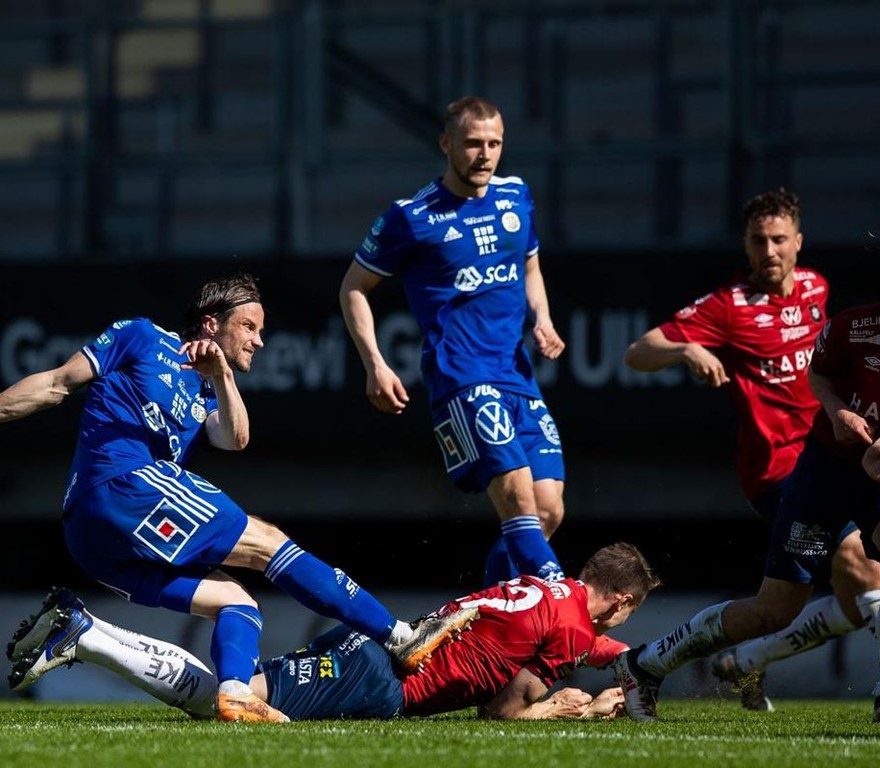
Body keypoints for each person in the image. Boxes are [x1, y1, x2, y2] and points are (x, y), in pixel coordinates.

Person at [0, 272, 475, 723]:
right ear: (211, 323)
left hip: (96, 543)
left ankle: (232, 692)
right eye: (249, 326)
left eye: (261, 330)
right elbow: (57, 383)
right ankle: (401, 637)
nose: (259, 340)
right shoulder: (142, 336)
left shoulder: (207, 390)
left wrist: (223, 376)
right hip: (123, 483)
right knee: (268, 541)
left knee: (237, 604)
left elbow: (235, 438)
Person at [613, 218, 880, 725]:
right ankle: (646, 663)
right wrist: (837, 412)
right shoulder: (854, 325)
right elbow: (819, 374)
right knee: (775, 609)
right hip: (823, 472)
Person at [9, 542, 660, 722]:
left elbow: (583, 644)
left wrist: (628, 660)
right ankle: (85, 633)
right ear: (623, 599)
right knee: (229, 703)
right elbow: (503, 713)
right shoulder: (572, 625)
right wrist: (576, 709)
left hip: (374, 650)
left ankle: (84, 634)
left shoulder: (550, 590)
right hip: (383, 680)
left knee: (237, 695)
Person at [339, 95, 566, 586]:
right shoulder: (411, 215)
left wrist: (542, 317)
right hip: (462, 375)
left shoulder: (516, 196)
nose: (484, 154)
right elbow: (353, 287)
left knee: (548, 510)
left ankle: (486, 620)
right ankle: (562, 601)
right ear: (446, 144)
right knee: (519, 501)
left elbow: (529, 263)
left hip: (517, 374)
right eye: (472, 143)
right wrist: (374, 363)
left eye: (494, 144)